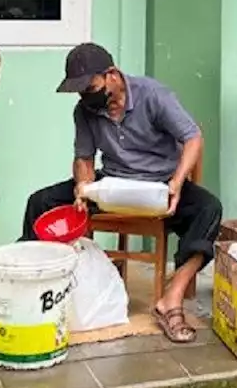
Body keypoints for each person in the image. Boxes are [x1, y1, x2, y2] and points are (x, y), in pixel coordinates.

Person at [20, 43, 221, 344]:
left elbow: (192, 138)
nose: (84, 97)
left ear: (111, 75)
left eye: (89, 88)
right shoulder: (85, 110)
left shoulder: (153, 95)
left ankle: (172, 298)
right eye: (79, 92)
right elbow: (84, 158)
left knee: (209, 209)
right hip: (112, 184)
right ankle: (27, 288)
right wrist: (83, 187)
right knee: (41, 201)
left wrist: (177, 183)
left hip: (159, 184)